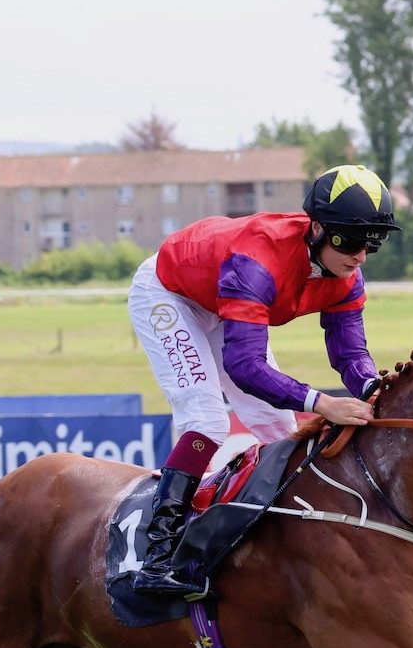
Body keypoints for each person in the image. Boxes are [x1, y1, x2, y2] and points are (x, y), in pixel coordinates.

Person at [125, 164, 397, 595]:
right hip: (170, 294)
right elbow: (245, 366)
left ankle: (278, 547)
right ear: (319, 228)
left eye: (372, 244)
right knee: (208, 421)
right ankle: (158, 559)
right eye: (352, 240)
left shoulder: (347, 276)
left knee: (279, 429)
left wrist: (371, 388)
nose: (361, 255)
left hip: (221, 301)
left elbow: (350, 354)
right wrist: (324, 403)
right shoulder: (259, 261)